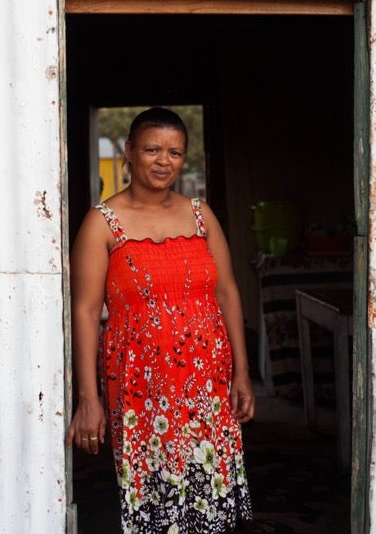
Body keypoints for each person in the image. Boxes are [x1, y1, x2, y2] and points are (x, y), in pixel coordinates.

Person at [67, 107, 254, 533]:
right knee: (156, 502)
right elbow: (85, 310)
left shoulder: (201, 215)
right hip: (141, 388)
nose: (163, 161)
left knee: (210, 498)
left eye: (174, 152)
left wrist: (242, 374)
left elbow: (227, 292)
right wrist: (88, 398)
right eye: (152, 149)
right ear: (129, 151)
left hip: (207, 383)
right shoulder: (101, 223)